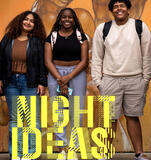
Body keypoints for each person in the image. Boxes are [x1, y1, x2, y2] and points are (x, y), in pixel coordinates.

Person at [91, 0, 151, 159]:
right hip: (110, 80)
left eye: (122, 6)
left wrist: (145, 79)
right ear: (112, 10)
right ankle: (105, 152)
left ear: (128, 9)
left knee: (133, 116)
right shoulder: (103, 29)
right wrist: (99, 81)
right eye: (115, 7)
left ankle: (139, 153)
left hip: (135, 79)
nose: (119, 9)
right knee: (110, 118)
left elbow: (147, 55)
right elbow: (97, 57)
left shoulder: (140, 27)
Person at [0, 11, 47, 159]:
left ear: (35, 25)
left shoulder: (37, 41)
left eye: (32, 21)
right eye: (26, 19)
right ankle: (17, 154)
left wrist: (42, 82)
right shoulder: (8, 39)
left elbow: (42, 63)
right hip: (11, 82)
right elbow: (0, 60)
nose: (28, 22)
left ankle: (32, 153)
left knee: (33, 119)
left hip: (30, 82)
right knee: (15, 119)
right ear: (20, 21)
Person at [44, 8, 89, 160]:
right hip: (55, 73)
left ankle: (73, 150)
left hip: (76, 74)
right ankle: (62, 149)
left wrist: (68, 77)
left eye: (70, 17)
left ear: (74, 19)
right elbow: (47, 61)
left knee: (76, 113)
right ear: (60, 19)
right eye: (64, 17)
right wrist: (60, 78)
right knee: (58, 113)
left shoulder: (81, 37)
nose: (67, 19)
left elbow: (84, 61)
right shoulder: (52, 37)